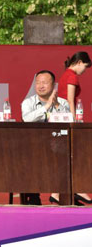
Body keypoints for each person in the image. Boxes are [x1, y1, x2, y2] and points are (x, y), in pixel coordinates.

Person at [21, 70, 70, 205]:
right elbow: (27, 119)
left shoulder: (63, 103)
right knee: (27, 155)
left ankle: (61, 194)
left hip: (56, 144)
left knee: (67, 151)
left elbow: (69, 121)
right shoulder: (28, 103)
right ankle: (33, 196)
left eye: (44, 82)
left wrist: (56, 105)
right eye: (38, 83)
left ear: (53, 85)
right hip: (33, 144)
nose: (40, 86)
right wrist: (47, 106)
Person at [52, 51, 92, 205]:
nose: (84, 71)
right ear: (79, 62)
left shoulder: (65, 74)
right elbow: (70, 99)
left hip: (62, 118)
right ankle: (76, 189)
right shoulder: (72, 76)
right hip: (67, 120)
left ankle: (58, 192)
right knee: (75, 155)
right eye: (85, 67)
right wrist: (74, 120)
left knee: (68, 156)